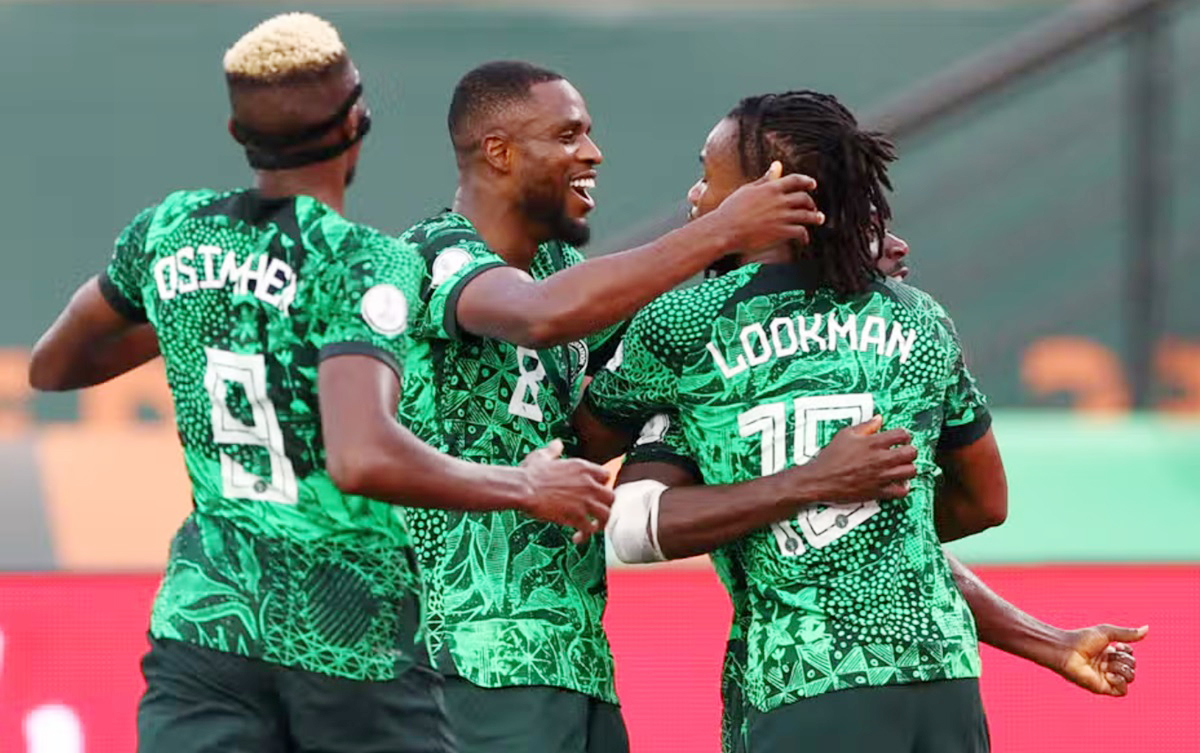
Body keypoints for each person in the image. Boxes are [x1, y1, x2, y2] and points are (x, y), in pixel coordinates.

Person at [27, 16, 615, 753]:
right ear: (355, 123)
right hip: (344, 629)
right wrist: (526, 485)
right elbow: (361, 457)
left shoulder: (171, 230)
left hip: (208, 621)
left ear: (237, 131)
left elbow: (52, 367)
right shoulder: (362, 262)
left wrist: (207, 312)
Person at [580, 89, 1144, 752]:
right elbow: (986, 502)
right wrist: (853, 523)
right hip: (944, 677)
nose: (695, 195)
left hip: (806, 679)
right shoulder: (919, 316)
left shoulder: (687, 325)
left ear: (769, 191)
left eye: (708, 174)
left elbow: (611, 491)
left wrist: (805, 491)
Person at [393, 61, 918, 753]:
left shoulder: (559, 271)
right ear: (499, 151)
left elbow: (660, 341)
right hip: (463, 653)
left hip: (571, 656)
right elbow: (539, 316)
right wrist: (722, 229)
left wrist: (823, 275)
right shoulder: (432, 254)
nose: (592, 152)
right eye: (568, 134)